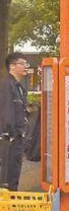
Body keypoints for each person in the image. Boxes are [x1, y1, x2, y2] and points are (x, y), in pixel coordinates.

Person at [0, 52, 28, 191]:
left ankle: (12, 197)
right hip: (10, 139)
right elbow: (6, 110)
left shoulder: (18, 87)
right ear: (12, 66)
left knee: (14, 171)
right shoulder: (7, 85)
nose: (25, 67)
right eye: (22, 64)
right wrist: (9, 134)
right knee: (8, 175)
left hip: (17, 137)